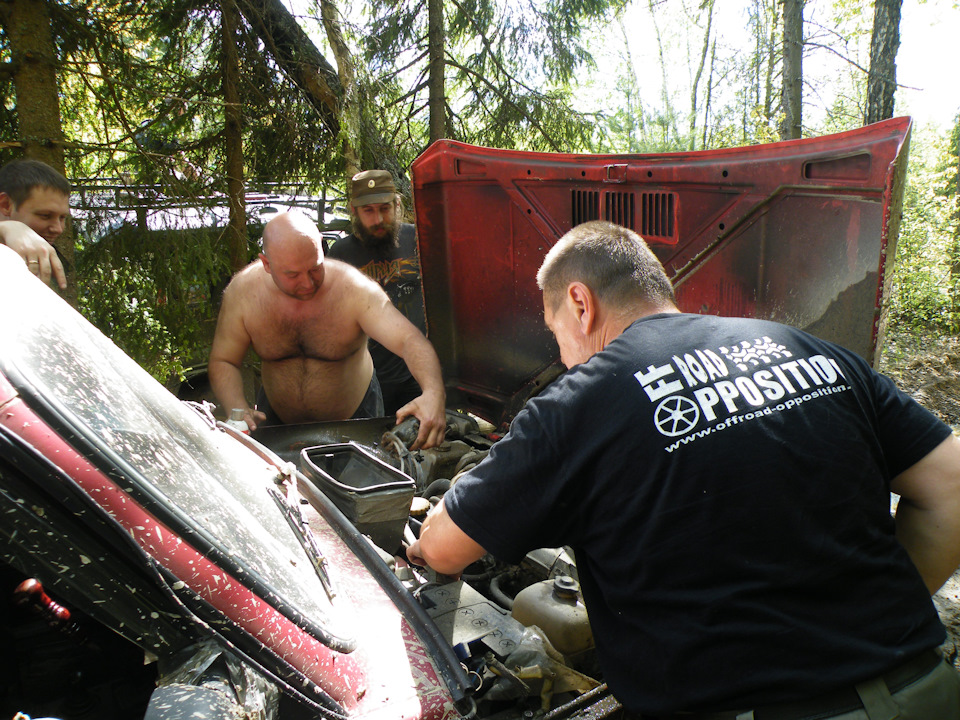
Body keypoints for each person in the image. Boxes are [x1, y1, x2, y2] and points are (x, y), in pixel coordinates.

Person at [407, 220, 960, 718]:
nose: (566, 356)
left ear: (580, 303)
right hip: (924, 688)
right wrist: (871, 625)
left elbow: (444, 549)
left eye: (557, 334)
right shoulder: (806, 347)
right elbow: (951, 486)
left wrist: (422, 535)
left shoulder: (578, 402)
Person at [208, 210, 447, 450]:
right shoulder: (244, 293)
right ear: (267, 264)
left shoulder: (353, 288)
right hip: (277, 419)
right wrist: (236, 407)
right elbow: (224, 360)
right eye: (292, 274)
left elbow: (409, 339)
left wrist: (433, 393)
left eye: (315, 268)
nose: (307, 283)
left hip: (355, 417)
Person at [327, 169, 426, 415]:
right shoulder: (340, 255)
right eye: (368, 211)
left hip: (418, 376)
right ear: (354, 211)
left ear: (397, 204)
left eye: (384, 209)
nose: (378, 219)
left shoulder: (420, 240)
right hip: (365, 381)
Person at [0, 159, 70, 289]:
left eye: (62, 217)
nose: (58, 229)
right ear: (6, 205)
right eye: (45, 215)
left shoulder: (52, 261)